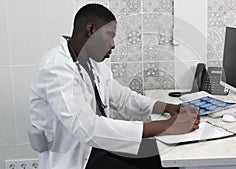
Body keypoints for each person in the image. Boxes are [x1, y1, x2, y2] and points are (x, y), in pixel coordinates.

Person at [29, 3, 200, 169]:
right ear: (91, 30)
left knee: (165, 158)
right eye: (110, 35)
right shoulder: (56, 68)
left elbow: (123, 98)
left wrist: (167, 107)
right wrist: (166, 126)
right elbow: (87, 128)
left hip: (101, 147)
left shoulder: (91, 62)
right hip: (77, 158)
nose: (113, 44)